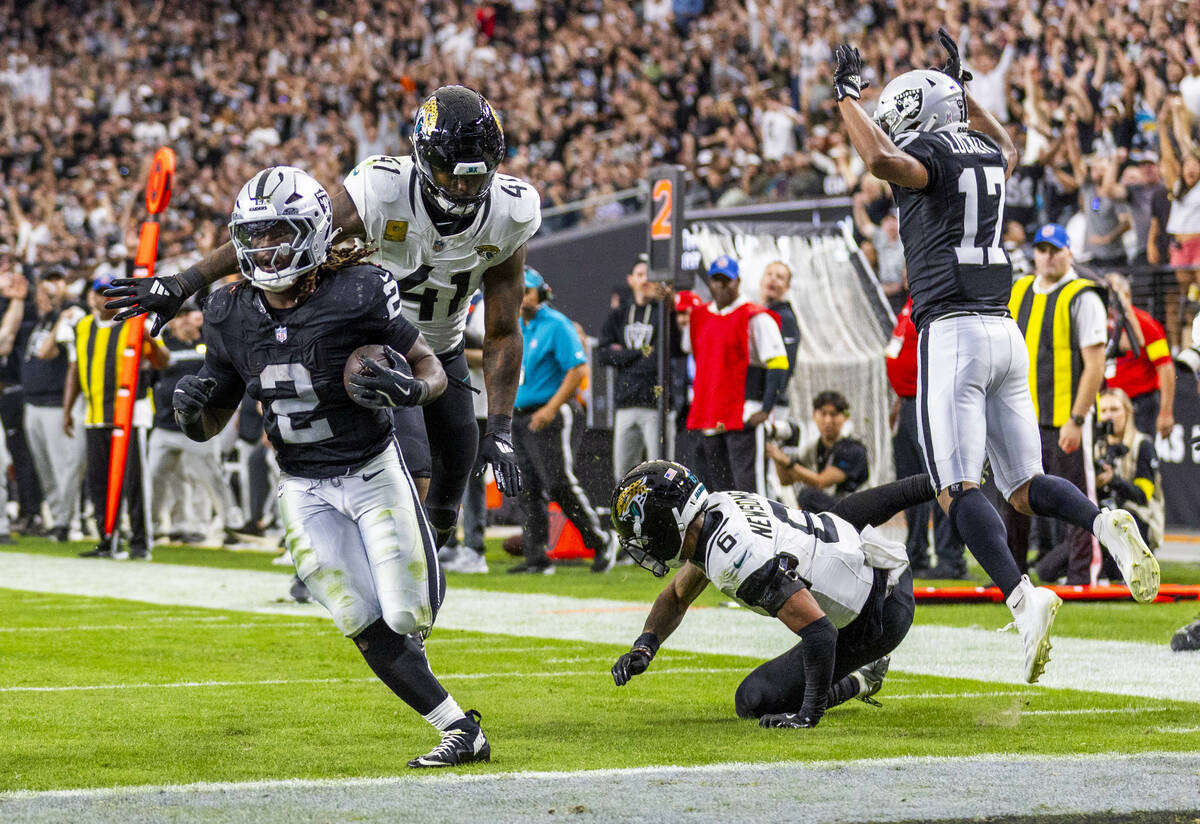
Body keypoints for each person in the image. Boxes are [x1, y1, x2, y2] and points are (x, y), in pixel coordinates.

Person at [834, 30, 1158, 683]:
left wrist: (845, 96)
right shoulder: (985, 148)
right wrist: (969, 95)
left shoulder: (925, 150)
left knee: (959, 490)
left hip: (952, 332)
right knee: (1023, 487)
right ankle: (1103, 523)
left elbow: (882, 163)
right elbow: (1011, 148)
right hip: (1004, 329)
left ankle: (1023, 597)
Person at [104, 85, 536, 550]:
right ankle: (335, 555)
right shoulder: (383, 188)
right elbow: (286, 236)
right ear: (421, 157)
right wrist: (185, 281)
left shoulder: (511, 212)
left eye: (474, 177)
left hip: (442, 350)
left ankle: (394, 581)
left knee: (442, 514)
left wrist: (502, 427)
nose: (461, 187)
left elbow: (503, 331)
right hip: (374, 344)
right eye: (449, 173)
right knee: (411, 479)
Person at [172, 165, 489, 768]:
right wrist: (191, 412)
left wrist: (409, 393)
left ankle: (437, 678)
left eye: (280, 232)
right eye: (256, 235)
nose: (266, 248)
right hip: (301, 484)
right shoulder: (228, 312)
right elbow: (211, 421)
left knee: (406, 611)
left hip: (371, 470)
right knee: (356, 613)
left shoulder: (360, 290)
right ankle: (459, 730)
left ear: (315, 230)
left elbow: (434, 370)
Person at [608, 460, 938, 728]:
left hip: (878, 610)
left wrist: (808, 715)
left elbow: (821, 633)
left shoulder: (736, 559)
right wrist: (646, 645)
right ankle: (939, 479)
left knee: (754, 699)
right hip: (850, 555)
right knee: (837, 521)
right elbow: (678, 596)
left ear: (667, 524)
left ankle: (862, 678)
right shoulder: (716, 511)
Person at [1004, 224, 1108, 584]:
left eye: (1055, 249)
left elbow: (1095, 364)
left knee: (1076, 500)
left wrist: (1077, 418)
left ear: (1069, 253)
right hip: (1022, 418)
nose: (1048, 256)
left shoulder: (1083, 296)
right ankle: (1011, 572)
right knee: (1012, 498)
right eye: (1042, 249)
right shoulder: (1018, 291)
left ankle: (1082, 575)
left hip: (1065, 416)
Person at [509, 268, 617, 574]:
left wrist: (551, 408)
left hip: (551, 413)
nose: (522, 296)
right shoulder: (516, 325)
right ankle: (535, 557)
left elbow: (578, 369)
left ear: (541, 294)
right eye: (519, 290)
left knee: (558, 482)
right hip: (520, 415)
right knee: (526, 487)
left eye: (528, 290)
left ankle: (600, 540)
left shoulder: (556, 324)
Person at [65, 272, 168, 559]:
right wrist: (68, 410)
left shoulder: (137, 323)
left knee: (133, 480)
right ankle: (106, 540)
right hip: (95, 412)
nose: (103, 298)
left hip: (132, 413)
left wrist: (151, 340)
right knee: (97, 482)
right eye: (99, 292)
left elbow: (164, 362)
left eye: (109, 293)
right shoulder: (82, 327)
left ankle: (139, 542)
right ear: (89, 297)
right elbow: (75, 370)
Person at [676, 255, 788, 495]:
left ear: (737, 281)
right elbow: (686, 350)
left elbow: (779, 364)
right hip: (710, 418)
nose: (722, 285)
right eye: (717, 280)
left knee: (750, 491)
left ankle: (761, 533)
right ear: (710, 282)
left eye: (727, 280)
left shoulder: (756, 316)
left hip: (744, 415)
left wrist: (766, 409)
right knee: (719, 493)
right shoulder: (701, 317)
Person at [885, 297, 966, 578]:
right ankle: (915, 552)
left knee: (942, 480)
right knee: (912, 485)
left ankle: (950, 559)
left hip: (931, 402)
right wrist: (898, 404)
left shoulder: (939, 300)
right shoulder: (911, 302)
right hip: (908, 403)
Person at [148, 304, 241, 543]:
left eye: (186, 317)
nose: (182, 322)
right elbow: (152, 379)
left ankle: (230, 525)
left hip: (199, 426)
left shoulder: (208, 346)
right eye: (178, 318)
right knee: (155, 478)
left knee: (212, 478)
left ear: (195, 320)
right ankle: (157, 525)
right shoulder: (163, 346)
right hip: (165, 424)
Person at [21, 265, 86, 542]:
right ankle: (58, 518)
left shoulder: (74, 313)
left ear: (67, 284)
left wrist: (61, 318)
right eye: (47, 281)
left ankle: (67, 522)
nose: (51, 286)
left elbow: (47, 352)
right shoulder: (42, 319)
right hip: (33, 403)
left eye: (57, 280)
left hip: (57, 402)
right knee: (45, 468)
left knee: (64, 467)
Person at [597, 255, 677, 480]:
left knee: (662, 472)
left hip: (657, 404)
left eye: (649, 275)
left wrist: (623, 353)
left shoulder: (664, 312)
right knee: (623, 475)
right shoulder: (619, 314)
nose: (645, 280)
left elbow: (670, 351)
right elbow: (603, 355)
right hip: (625, 403)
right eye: (640, 275)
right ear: (630, 280)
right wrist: (639, 353)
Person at [765, 390, 868, 514]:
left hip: (856, 510)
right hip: (833, 509)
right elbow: (786, 480)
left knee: (808, 496)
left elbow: (821, 481)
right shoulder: (814, 447)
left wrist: (787, 461)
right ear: (814, 415)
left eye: (833, 414)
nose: (828, 420)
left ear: (845, 417)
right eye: (823, 414)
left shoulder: (853, 449)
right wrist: (777, 456)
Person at [1105, 273, 1176, 438]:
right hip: (1107, 401)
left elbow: (1165, 368)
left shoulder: (1147, 324)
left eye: (1113, 294)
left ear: (1127, 295)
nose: (1109, 300)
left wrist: (1166, 411)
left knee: (1139, 450)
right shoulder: (1099, 321)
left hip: (1139, 403)